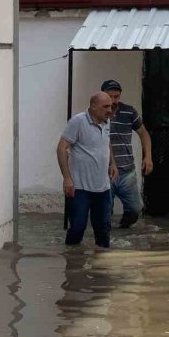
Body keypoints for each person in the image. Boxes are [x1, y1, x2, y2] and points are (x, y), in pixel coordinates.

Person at [57, 91, 119, 247]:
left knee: (103, 231)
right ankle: (71, 264)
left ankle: (102, 268)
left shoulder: (106, 122)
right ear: (93, 106)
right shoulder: (78, 121)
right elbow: (61, 148)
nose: (109, 110)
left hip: (103, 188)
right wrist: (67, 178)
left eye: (110, 106)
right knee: (77, 229)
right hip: (80, 188)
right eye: (105, 106)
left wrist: (113, 163)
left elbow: (106, 143)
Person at [102, 80, 153, 228]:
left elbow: (144, 134)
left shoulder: (129, 112)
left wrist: (148, 157)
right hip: (105, 173)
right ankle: (106, 241)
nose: (113, 100)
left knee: (135, 208)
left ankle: (123, 231)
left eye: (116, 96)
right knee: (105, 212)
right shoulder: (97, 114)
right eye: (110, 96)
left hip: (127, 171)